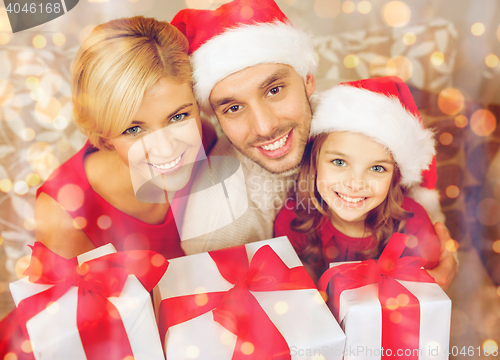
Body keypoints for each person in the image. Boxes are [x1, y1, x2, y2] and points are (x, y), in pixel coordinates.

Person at [172, 0, 457, 290]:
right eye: (233, 108)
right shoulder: (217, 222)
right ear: (215, 114)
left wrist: (435, 261)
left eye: (274, 90)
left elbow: (416, 205)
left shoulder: (353, 118)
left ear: (309, 82)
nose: (265, 127)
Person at [33, 16, 216, 260]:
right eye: (133, 130)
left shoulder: (207, 141)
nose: (165, 148)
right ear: (104, 137)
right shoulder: (64, 214)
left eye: (178, 117)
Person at [274, 77, 442, 281]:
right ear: (314, 162)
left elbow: (425, 300)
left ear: (395, 178)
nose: (355, 183)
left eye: (377, 168)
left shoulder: (413, 226)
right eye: (339, 162)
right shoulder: (292, 221)